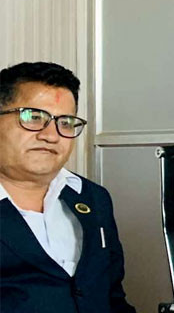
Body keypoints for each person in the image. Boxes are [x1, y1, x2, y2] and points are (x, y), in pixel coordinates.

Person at [0, 62, 136, 313]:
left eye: (65, 122)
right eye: (34, 117)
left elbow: (113, 298)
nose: (51, 135)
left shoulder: (93, 198)